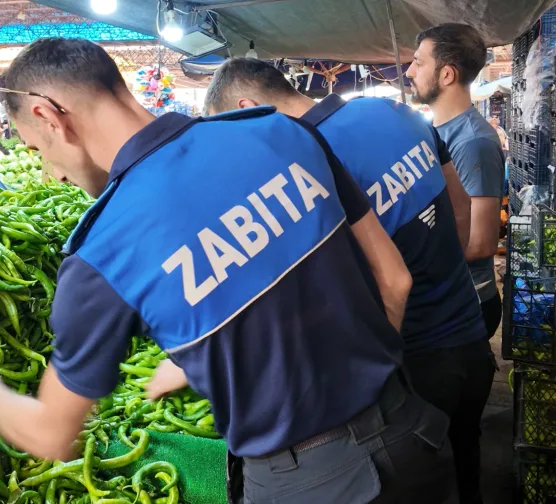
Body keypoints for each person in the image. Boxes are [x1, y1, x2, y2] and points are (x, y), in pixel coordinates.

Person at [0, 38, 452, 503]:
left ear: (49, 116)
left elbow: (52, 435)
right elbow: (394, 280)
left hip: (306, 483)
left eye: (39, 149)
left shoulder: (102, 250)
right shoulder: (277, 132)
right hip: (414, 432)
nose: (51, 173)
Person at [202, 57, 494, 504]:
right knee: (468, 465)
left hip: (412, 370)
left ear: (247, 108)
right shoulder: (389, 111)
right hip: (470, 336)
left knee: (432, 482)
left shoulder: (305, 165)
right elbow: (460, 207)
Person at [407, 24, 505, 344]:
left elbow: (480, 244)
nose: (409, 71)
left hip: (464, 305)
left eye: (419, 63)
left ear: (447, 74)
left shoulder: (473, 142)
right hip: (439, 299)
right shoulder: (431, 130)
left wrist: (407, 260)